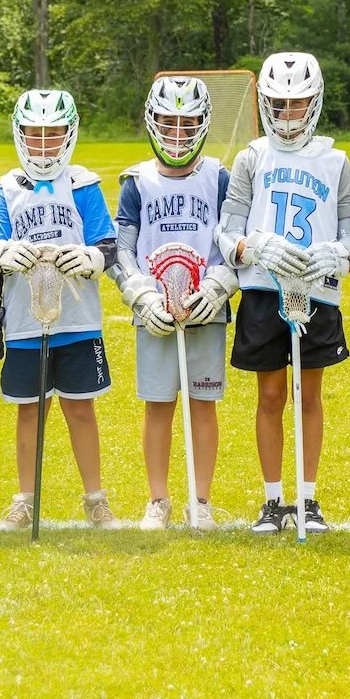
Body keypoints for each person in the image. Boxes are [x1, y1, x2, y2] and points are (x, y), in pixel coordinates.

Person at [219, 51, 350, 536]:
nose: (287, 115)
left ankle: (308, 498)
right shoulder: (251, 157)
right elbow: (228, 231)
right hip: (264, 291)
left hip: (316, 292)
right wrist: (251, 247)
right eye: (277, 104)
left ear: (314, 102)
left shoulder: (335, 159)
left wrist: (340, 256)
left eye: (297, 104)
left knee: (310, 396)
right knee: (270, 394)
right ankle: (273, 499)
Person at [0, 89, 119, 530]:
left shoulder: (82, 184)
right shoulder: (8, 187)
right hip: (25, 319)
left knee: (80, 408)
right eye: (35, 134)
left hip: (77, 320)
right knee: (30, 409)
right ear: (21, 135)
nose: (44, 143)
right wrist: (2, 254)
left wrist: (92, 258)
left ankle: (95, 499)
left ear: (69, 134)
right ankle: (24, 500)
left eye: (53, 133)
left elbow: (107, 243)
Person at [110, 76, 238, 531]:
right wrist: (142, 295)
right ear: (152, 122)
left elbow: (229, 239)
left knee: (203, 404)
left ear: (202, 125)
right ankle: (158, 500)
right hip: (155, 314)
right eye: (168, 122)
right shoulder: (137, 181)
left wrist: (219, 285)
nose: (177, 133)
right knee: (158, 404)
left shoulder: (218, 177)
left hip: (207, 308)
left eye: (188, 124)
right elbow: (121, 248)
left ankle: (200, 501)